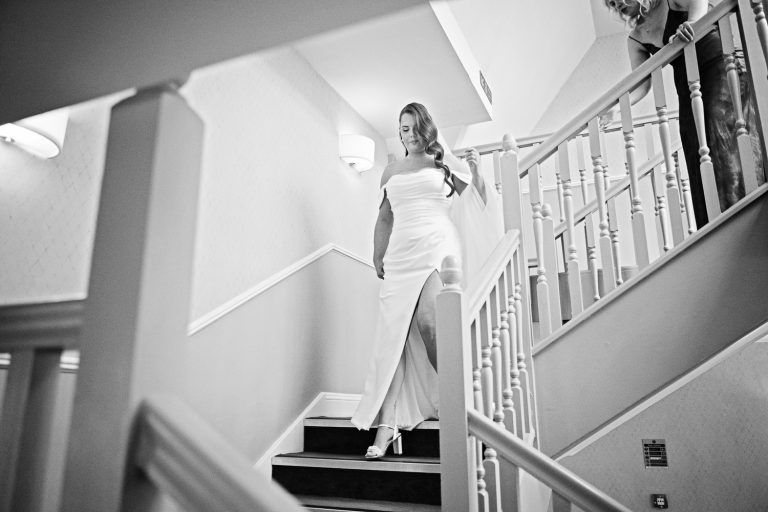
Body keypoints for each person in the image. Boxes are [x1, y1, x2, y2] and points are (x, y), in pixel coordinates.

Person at [350, 102, 494, 459]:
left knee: (431, 323)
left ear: (426, 128)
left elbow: (478, 201)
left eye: (414, 127)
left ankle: (457, 400)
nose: (409, 134)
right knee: (393, 341)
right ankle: (386, 427)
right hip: (400, 255)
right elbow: (384, 217)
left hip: (436, 248)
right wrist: (377, 253)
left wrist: (476, 172)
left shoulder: (443, 164)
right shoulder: (390, 171)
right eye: (403, 129)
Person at [603, 0, 764, 228]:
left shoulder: (671, 1)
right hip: (688, 90)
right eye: (611, 2)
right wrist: (617, 110)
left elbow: (699, 4)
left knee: (719, 133)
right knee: (694, 143)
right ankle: (714, 222)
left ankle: (740, 202)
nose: (618, 4)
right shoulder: (636, 38)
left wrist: (691, 22)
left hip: (718, 69)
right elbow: (641, 85)